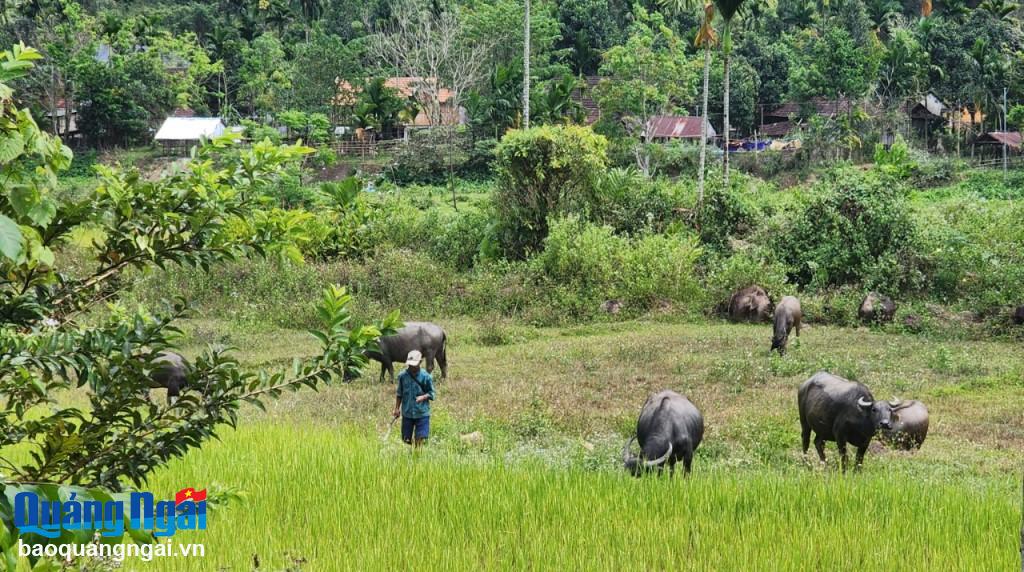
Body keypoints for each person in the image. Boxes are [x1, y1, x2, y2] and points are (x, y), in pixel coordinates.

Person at [393, 350, 435, 446]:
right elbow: (399, 394)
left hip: (422, 413)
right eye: (410, 365)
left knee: (420, 438)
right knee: (406, 439)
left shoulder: (426, 377)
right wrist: (396, 408)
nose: (411, 367)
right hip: (407, 413)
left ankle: (417, 456)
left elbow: (432, 393)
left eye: (414, 364)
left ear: (420, 362)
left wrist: (423, 397)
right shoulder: (402, 376)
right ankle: (410, 454)